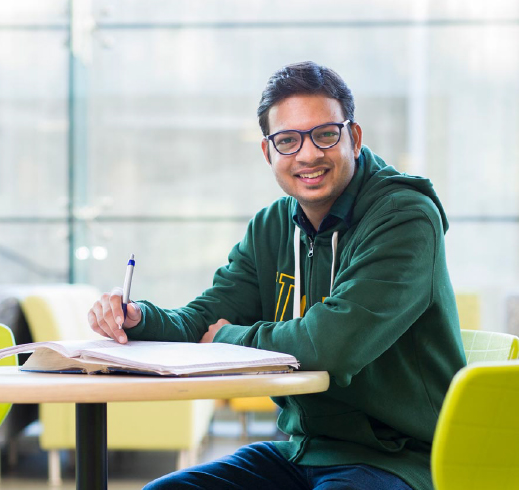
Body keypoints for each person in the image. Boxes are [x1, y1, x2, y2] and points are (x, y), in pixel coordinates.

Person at [87, 61, 465, 490]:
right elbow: (206, 317)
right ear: (268, 152)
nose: (308, 155)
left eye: (325, 134)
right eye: (288, 141)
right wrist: (139, 318)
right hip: (304, 450)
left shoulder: (404, 217)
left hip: (405, 460)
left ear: (353, 138)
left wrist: (229, 338)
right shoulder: (272, 226)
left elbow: (330, 346)